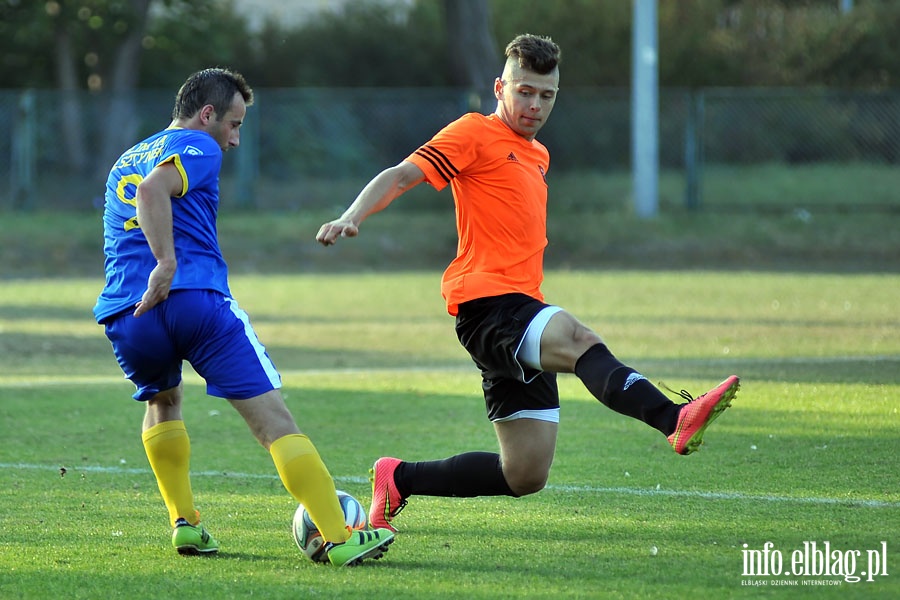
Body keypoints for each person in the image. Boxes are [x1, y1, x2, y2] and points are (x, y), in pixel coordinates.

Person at [316, 34, 740, 533]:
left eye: (547, 95)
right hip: (487, 306)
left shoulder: (538, 155)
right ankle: (674, 419)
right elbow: (402, 175)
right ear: (500, 87)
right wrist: (352, 215)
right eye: (525, 91)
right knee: (580, 340)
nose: (534, 105)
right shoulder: (473, 132)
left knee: (524, 473)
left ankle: (398, 479)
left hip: (520, 311)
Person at [93, 68, 394, 565]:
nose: (233, 140)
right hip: (193, 299)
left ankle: (185, 524)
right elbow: (151, 192)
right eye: (233, 124)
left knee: (163, 403)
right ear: (206, 114)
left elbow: (133, 204)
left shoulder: (126, 156)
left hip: (129, 313)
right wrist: (167, 263)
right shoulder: (197, 145)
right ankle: (340, 536)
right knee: (273, 422)